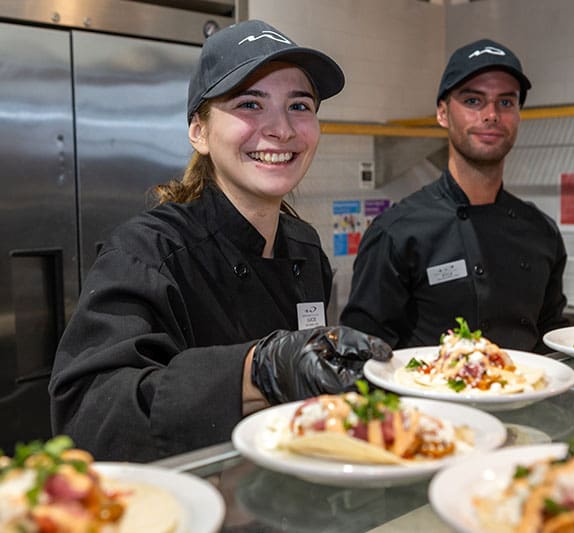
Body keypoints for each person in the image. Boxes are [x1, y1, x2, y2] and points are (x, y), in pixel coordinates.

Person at [49, 20, 391, 462]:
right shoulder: (145, 252)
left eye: (300, 106)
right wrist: (258, 370)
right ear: (199, 131)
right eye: (250, 103)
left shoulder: (305, 249)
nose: (282, 129)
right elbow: (90, 418)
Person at [340, 39, 568, 354]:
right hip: (425, 403)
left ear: (518, 115)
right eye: (473, 101)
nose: (491, 115)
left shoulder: (541, 232)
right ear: (443, 113)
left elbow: (552, 339)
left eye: (506, 102)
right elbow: (360, 352)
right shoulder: (397, 231)